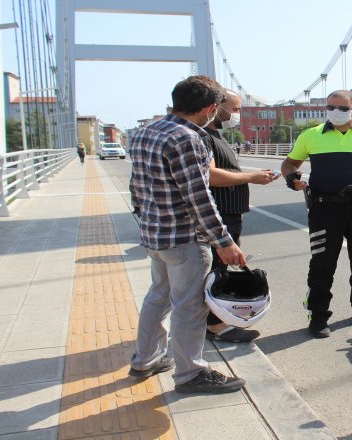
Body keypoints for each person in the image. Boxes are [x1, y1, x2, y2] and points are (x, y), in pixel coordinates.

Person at [128, 75, 248, 394]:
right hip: (184, 238)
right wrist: (224, 241)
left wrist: (144, 218)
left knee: (158, 296)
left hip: (155, 234)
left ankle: (145, 359)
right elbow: (199, 196)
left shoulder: (145, 132)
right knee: (189, 305)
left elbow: (136, 186)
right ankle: (190, 373)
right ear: (209, 108)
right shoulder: (187, 138)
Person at [281, 89, 352, 338]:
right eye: (331, 107)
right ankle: (318, 314)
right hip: (325, 208)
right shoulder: (310, 135)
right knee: (322, 264)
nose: (336, 112)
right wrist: (292, 178)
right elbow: (289, 163)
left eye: (342, 108)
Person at [204, 88, 278, 343]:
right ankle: (215, 326)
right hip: (220, 214)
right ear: (215, 106)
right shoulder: (204, 137)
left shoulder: (216, 135)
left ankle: (216, 321)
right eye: (234, 109)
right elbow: (211, 175)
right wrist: (251, 177)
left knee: (220, 266)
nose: (237, 114)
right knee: (217, 268)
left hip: (229, 213)